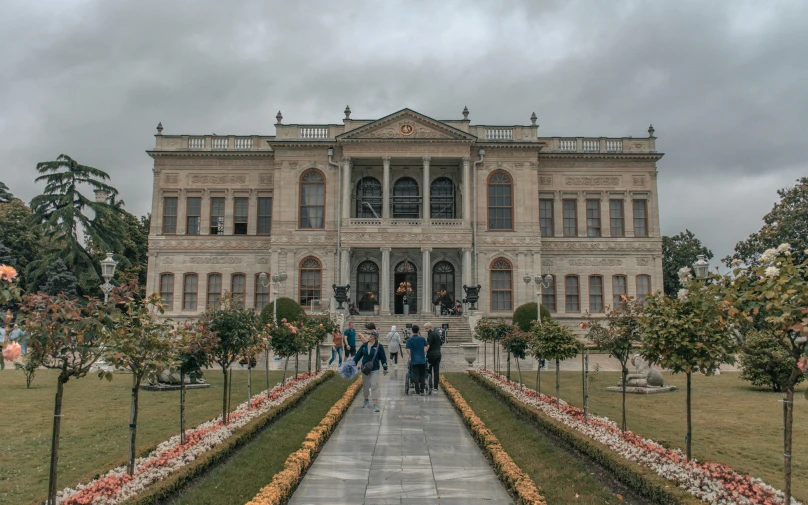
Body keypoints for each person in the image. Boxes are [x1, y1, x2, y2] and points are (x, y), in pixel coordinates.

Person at [352, 323, 388, 412]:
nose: (368, 336)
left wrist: (385, 367)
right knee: (366, 386)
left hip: (375, 368)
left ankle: (375, 403)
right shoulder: (364, 346)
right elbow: (358, 355)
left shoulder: (379, 346)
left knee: (374, 385)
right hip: (365, 369)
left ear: (374, 337)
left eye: (369, 335)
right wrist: (353, 363)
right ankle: (366, 400)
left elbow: (383, 358)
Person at [405, 324, 428, 396]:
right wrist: (424, 351)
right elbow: (427, 345)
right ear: (418, 331)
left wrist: (410, 356)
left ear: (412, 330)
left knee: (415, 375)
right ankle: (422, 391)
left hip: (414, 359)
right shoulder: (422, 339)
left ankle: (417, 391)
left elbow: (408, 349)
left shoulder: (409, 340)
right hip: (421, 359)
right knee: (422, 375)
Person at [424, 322, 442, 393]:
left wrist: (424, 352)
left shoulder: (431, 335)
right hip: (438, 354)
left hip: (431, 355)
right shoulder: (437, 334)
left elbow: (428, 345)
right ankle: (436, 387)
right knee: (436, 371)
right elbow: (440, 343)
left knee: (429, 370)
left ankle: (430, 385)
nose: (425, 330)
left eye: (426, 328)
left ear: (430, 327)